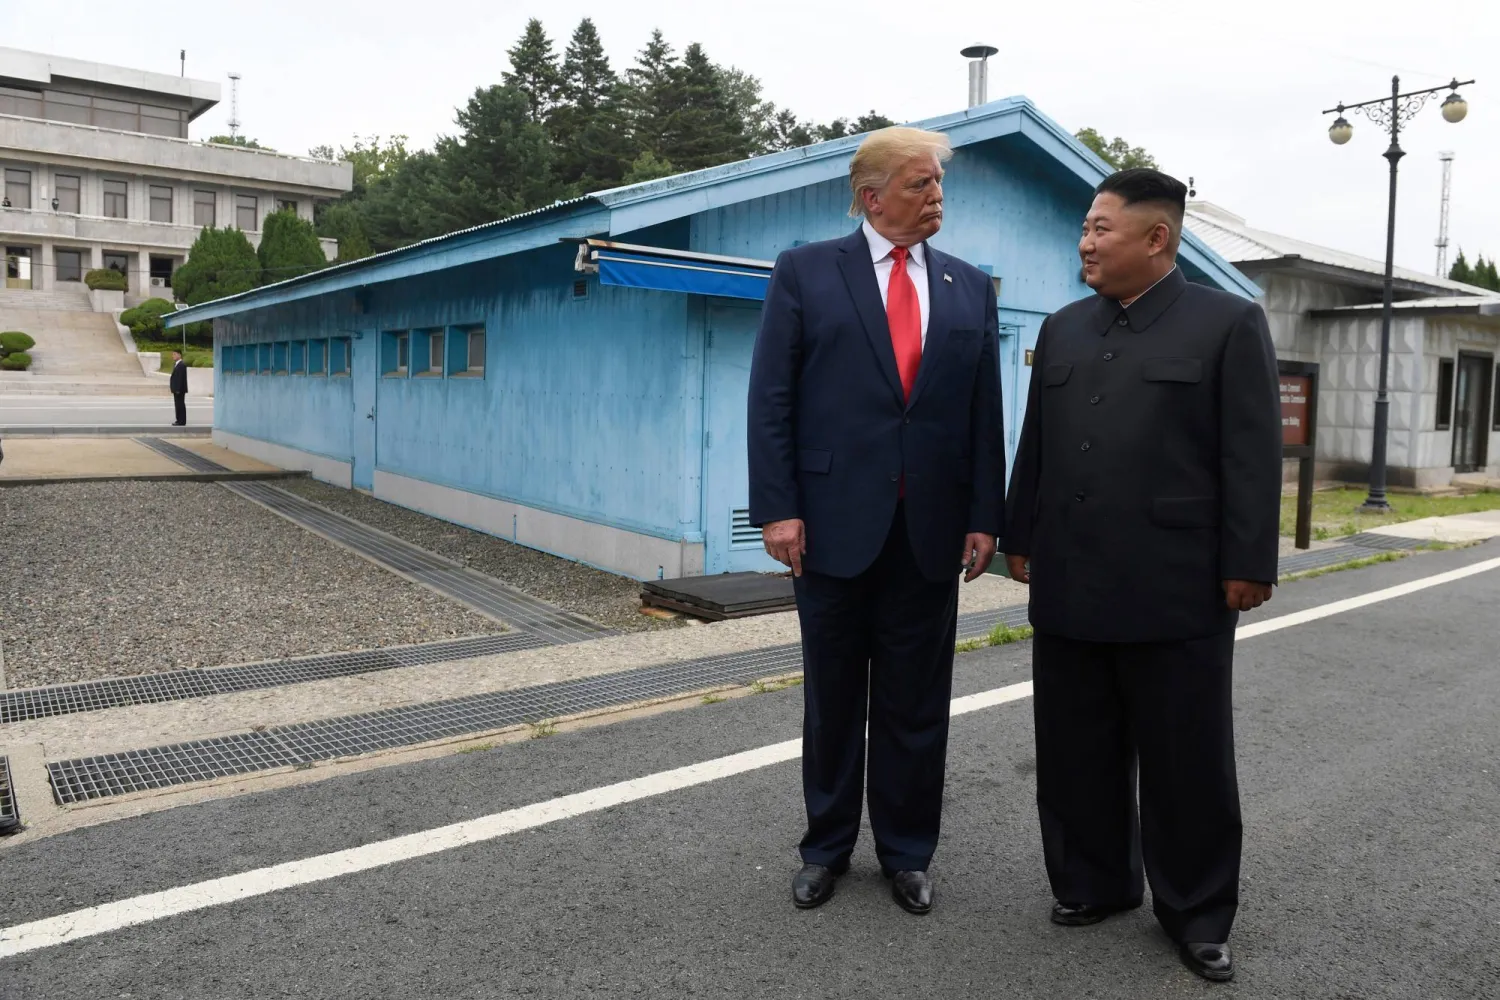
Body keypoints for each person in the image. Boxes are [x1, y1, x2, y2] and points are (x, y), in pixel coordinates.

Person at [1002, 168, 1281, 982]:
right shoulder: (1062, 328)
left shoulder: (1227, 322)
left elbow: (1252, 454)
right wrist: (1022, 531)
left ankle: (1195, 911)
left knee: (1185, 757)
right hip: (1070, 575)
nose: (1084, 241)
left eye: (1100, 228)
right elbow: (1038, 444)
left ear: (1156, 238)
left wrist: (1247, 561)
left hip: (1179, 581)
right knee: (1074, 744)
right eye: (1085, 228)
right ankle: (1093, 883)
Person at [747, 126, 1007, 916]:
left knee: (916, 702)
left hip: (929, 531)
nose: (937, 198)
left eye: (939, 185)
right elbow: (772, 399)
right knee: (832, 698)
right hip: (827, 526)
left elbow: (982, 413)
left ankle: (906, 852)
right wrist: (779, 508)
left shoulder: (969, 286)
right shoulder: (805, 272)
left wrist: (983, 515)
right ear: (872, 196)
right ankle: (824, 846)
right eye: (921, 184)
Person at [169, 350, 188, 426]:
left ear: (179, 355)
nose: (173, 356)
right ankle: (178, 420)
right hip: (176, 389)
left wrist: (178, 389)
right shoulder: (177, 364)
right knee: (177, 404)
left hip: (179, 389)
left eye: (174, 354)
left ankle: (181, 421)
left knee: (180, 404)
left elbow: (181, 378)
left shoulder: (181, 365)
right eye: (172, 354)